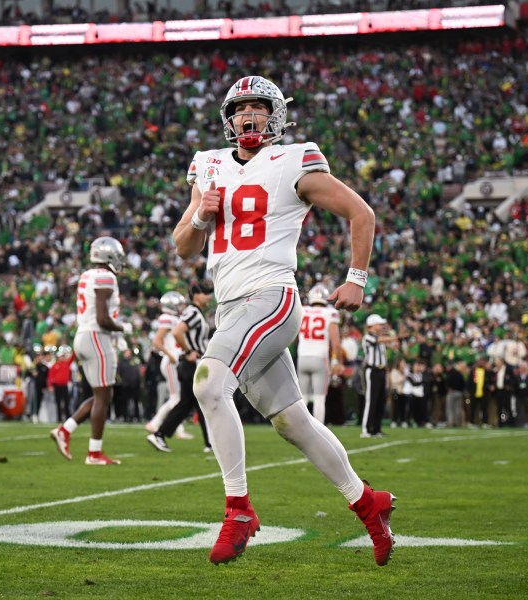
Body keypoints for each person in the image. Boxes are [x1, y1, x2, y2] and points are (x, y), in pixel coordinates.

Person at [173, 76, 395, 566]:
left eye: (258, 108)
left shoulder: (295, 159)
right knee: (293, 422)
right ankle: (367, 503)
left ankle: (238, 510)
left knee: (208, 384)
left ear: (276, 115)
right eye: (240, 109)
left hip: (271, 296)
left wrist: (355, 277)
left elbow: (361, 213)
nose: (248, 117)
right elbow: (184, 246)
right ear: (228, 119)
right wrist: (200, 217)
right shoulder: (208, 166)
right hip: (230, 306)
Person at [50, 236, 131, 465]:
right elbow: (103, 319)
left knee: (100, 396)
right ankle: (94, 453)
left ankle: (65, 430)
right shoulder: (106, 276)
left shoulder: (87, 275)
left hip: (84, 336)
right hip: (97, 337)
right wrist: (122, 327)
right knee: (104, 397)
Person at [147, 281, 214, 453]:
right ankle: (160, 434)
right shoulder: (193, 312)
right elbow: (177, 332)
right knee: (197, 403)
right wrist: (189, 350)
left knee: (187, 404)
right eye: (206, 293)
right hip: (191, 363)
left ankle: (161, 434)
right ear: (196, 295)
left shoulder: (195, 312)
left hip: (190, 364)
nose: (209, 296)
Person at [144, 290, 194, 440]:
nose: (181, 307)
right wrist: (170, 354)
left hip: (173, 361)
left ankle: (154, 423)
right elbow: (156, 341)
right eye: (178, 304)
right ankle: (178, 429)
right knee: (175, 397)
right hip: (170, 361)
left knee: (176, 396)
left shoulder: (173, 318)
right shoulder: (167, 318)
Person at [296, 283, 343, 424]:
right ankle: (319, 432)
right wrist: (337, 361)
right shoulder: (330, 313)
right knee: (319, 398)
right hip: (320, 358)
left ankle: (300, 429)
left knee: (303, 397)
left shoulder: (302, 311)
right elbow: (336, 343)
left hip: (302, 357)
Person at [361, 314, 398, 438]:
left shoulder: (380, 338)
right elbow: (379, 341)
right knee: (371, 400)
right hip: (372, 371)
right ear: (372, 325)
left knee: (380, 400)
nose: (382, 326)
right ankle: (367, 429)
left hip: (381, 371)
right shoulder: (368, 337)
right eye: (380, 324)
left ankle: (376, 429)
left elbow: (389, 346)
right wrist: (396, 337)